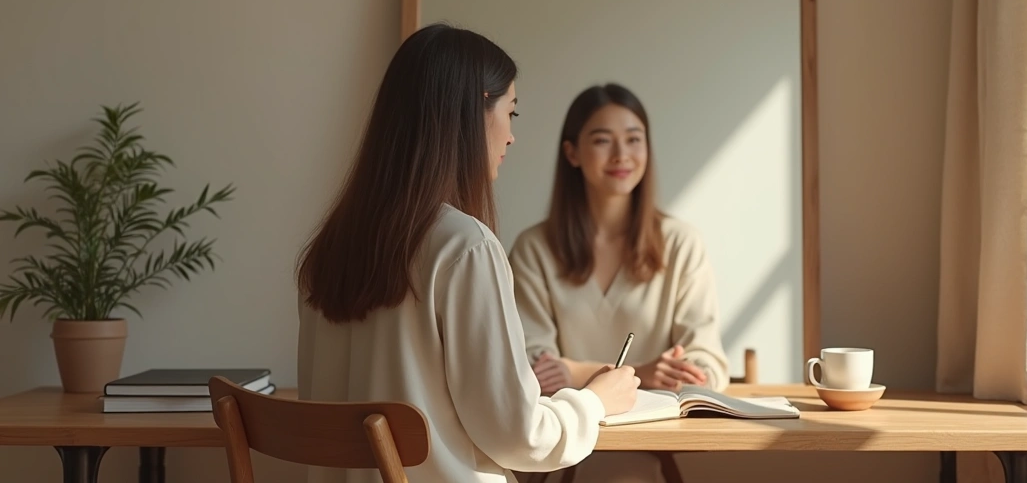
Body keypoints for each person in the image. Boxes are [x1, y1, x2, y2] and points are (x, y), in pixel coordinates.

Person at [296, 24, 640, 483]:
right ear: (473, 111)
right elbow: (519, 436)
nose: (511, 137)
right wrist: (596, 401)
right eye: (510, 113)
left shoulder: (329, 248)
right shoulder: (464, 247)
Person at [508, 83, 729, 483]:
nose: (621, 155)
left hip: (650, 459)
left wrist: (575, 372)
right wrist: (642, 373)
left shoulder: (681, 243)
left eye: (633, 139)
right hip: (560, 456)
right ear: (572, 153)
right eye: (602, 140)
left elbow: (706, 365)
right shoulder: (534, 248)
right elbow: (531, 369)